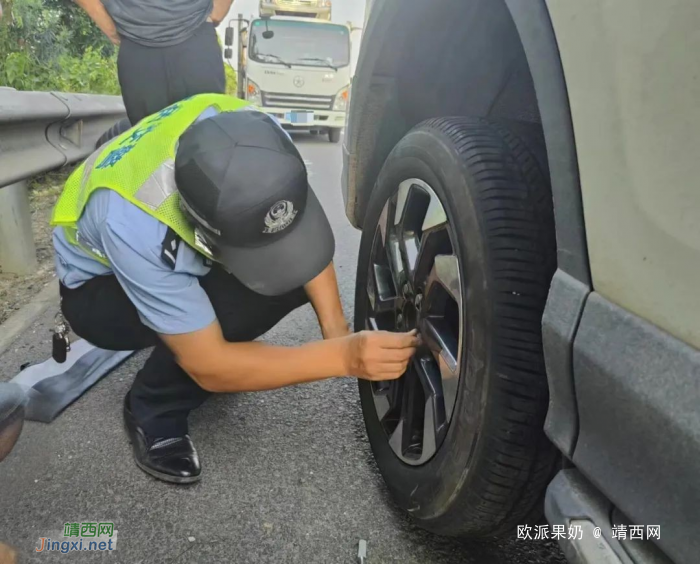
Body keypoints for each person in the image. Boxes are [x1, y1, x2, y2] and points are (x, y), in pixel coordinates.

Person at [50, 94, 418, 484]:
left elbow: (297, 230)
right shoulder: (132, 223)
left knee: (291, 275)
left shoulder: (259, 134)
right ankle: (152, 407)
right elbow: (210, 366)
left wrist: (336, 327)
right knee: (227, 322)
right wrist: (342, 358)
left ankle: (194, 332)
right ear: (201, 226)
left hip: (171, 240)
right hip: (99, 290)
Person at [74, 0, 233, 125]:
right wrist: (110, 28)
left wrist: (216, 12)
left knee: (208, 137)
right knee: (151, 144)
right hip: (137, 44)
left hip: (194, 32)